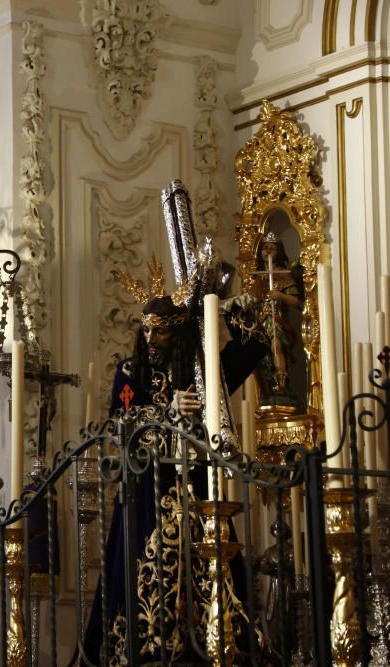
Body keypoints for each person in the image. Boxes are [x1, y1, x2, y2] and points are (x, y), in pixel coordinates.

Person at [83, 271, 268, 665]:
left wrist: (228, 308)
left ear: (178, 335)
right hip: (147, 492)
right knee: (139, 577)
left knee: (211, 572)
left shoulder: (203, 372)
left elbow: (254, 347)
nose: (150, 341)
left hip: (198, 488)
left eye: (160, 334)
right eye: (146, 331)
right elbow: (122, 425)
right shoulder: (130, 374)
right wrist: (167, 412)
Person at [251, 230, 304, 410]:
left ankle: (282, 384)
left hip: (277, 319)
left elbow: (297, 301)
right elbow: (251, 300)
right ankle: (269, 388)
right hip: (261, 320)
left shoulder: (283, 274)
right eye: (265, 248)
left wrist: (279, 295)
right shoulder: (258, 277)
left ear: (279, 252)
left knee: (276, 345)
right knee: (262, 356)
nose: (268, 251)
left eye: (272, 248)